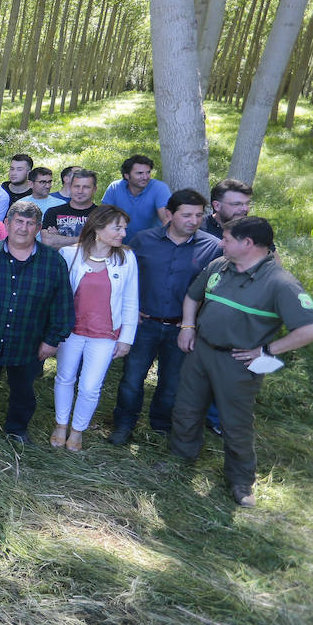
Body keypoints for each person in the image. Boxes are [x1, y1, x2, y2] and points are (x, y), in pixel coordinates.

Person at [169, 217, 313, 506]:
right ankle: (181, 458)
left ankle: (241, 482)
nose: (221, 242)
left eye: (227, 239)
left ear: (248, 244)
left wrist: (267, 350)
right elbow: (193, 297)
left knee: (235, 423)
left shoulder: (280, 283)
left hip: (238, 363)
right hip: (201, 351)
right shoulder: (219, 266)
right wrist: (188, 327)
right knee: (186, 409)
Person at [0, 201, 74, 444]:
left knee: (24, 391)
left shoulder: (53, 262)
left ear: (39, 228)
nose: (23, 228)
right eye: (18, 221)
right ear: (7, 223)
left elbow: (61, 304)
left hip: (28, 341)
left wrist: (52, 340)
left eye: (30, 224)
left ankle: (17, 429)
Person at [109, 189, 222, 445]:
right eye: (186, 215)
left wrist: (193, 324)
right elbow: (124, 275)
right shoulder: (142, 240)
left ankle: (160, 427)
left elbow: (214, 290)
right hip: (144, 323)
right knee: (132, 380)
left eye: (198, 215)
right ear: (169, 214)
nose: (193, 220)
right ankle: (124, 425)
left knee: (172, 383)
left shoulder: (212, 248)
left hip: (181, 327)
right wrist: (130, 308)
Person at [50, 206, 139, 452]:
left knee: (90, 386)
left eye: (124, 228)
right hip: (72, 331)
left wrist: (126, 339)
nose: (123, 233)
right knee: (65, 378)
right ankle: (60, 424)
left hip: (105, 334)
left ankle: (77, 430)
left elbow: (131, 300)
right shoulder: (70, 254)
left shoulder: (126, 258)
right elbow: (57, 295)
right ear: (98, 228)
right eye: (117, 227)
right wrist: (54, 330)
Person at [102, 154, 171, 236]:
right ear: (127, 175)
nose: (145, 177)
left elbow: (167, 220)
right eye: (140, 173)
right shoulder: (115, 187)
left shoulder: (159, 188)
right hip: (119, 243)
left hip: (151, 244)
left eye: (148, 172)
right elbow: (104, 218)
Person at [41, 169, 98, 247]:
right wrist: (87, 239)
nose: (80, 191)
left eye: (86, 187)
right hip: (59, 259)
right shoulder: (53, 212)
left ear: (94, 190)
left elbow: (103, 242)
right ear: (70, 187)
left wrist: (59, 239)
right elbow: (48, 241)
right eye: (76, 186)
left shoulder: (102, 215)